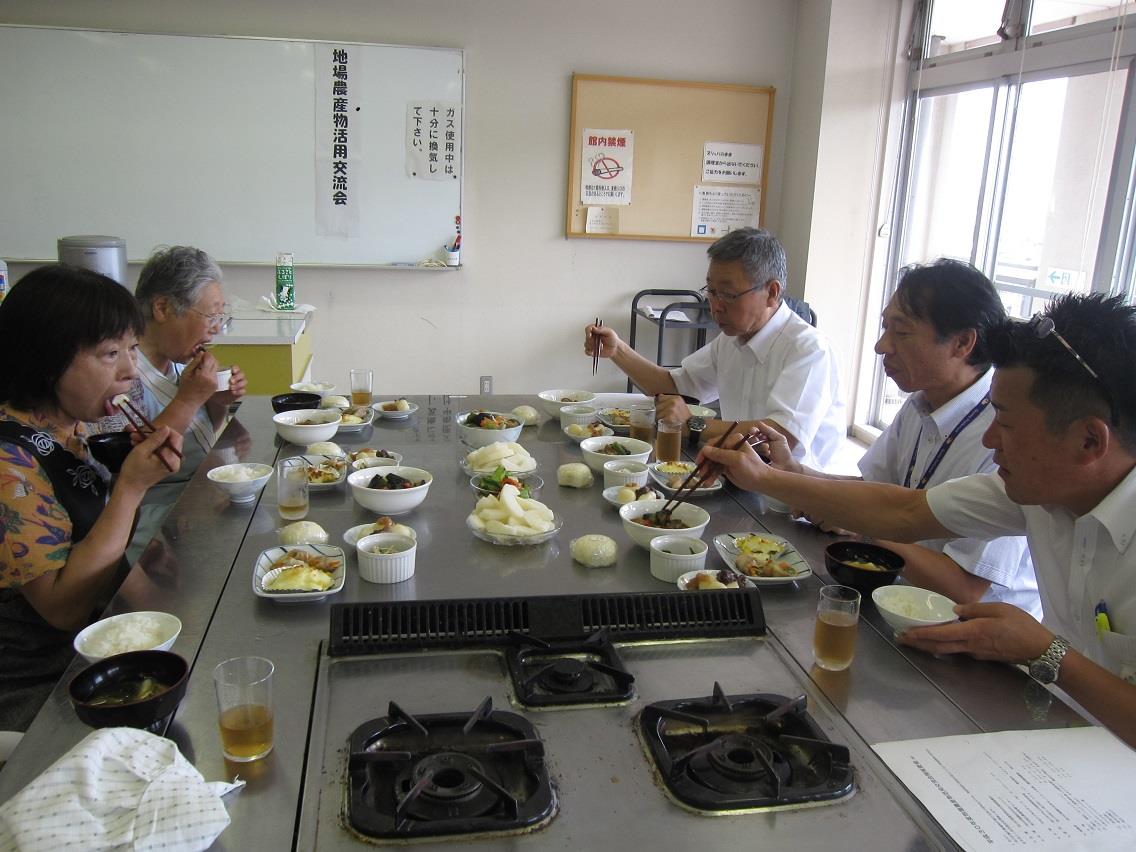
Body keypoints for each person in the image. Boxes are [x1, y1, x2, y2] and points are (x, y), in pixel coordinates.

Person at [700, 293, 1136, 747]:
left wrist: (1048, 652)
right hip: (1058, 730)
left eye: (1005, 423)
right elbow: (903, 510)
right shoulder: (1035, 489)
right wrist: (769, 477)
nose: (990, 440)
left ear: (1089, 441)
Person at [762, 259, 1039, 616]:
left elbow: (964, 588)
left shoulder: (1002, 435)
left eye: (902, 333)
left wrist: (861, 523)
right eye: (884, 328)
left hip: (969, 636)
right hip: (903, 601)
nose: (881, 346)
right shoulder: (921, 403)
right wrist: (796, 474)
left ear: (962, 343)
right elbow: (872, 488)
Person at [0, 265, 182, 730]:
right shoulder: (9, 463)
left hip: (97, 645)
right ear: (46, 359)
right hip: (41, 685)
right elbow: (62, 610)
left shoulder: (66, 428)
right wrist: (131, 488)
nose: (128, 370)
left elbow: (90, 535)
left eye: (132, 349)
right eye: (109, 353)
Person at [584, 227, 845, 469]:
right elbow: (675, 387)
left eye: (728, 294)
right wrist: (617, 350)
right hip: (740, 476)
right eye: (711, 290)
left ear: (772, 292)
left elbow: (782, 435)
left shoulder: (809, 350)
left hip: (793, 503)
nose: (715, 305)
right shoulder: (731, 339)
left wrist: (695, 424)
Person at [97, 246, 247, 560]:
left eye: (221, 316)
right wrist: (191, 398)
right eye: (210, 315)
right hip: (156, 523)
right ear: (162, 308)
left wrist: (216, 403)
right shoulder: (121, 377)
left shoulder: (177, 362)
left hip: (198, 499)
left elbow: (197, 437)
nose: (216, 328)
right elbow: (134, 460)